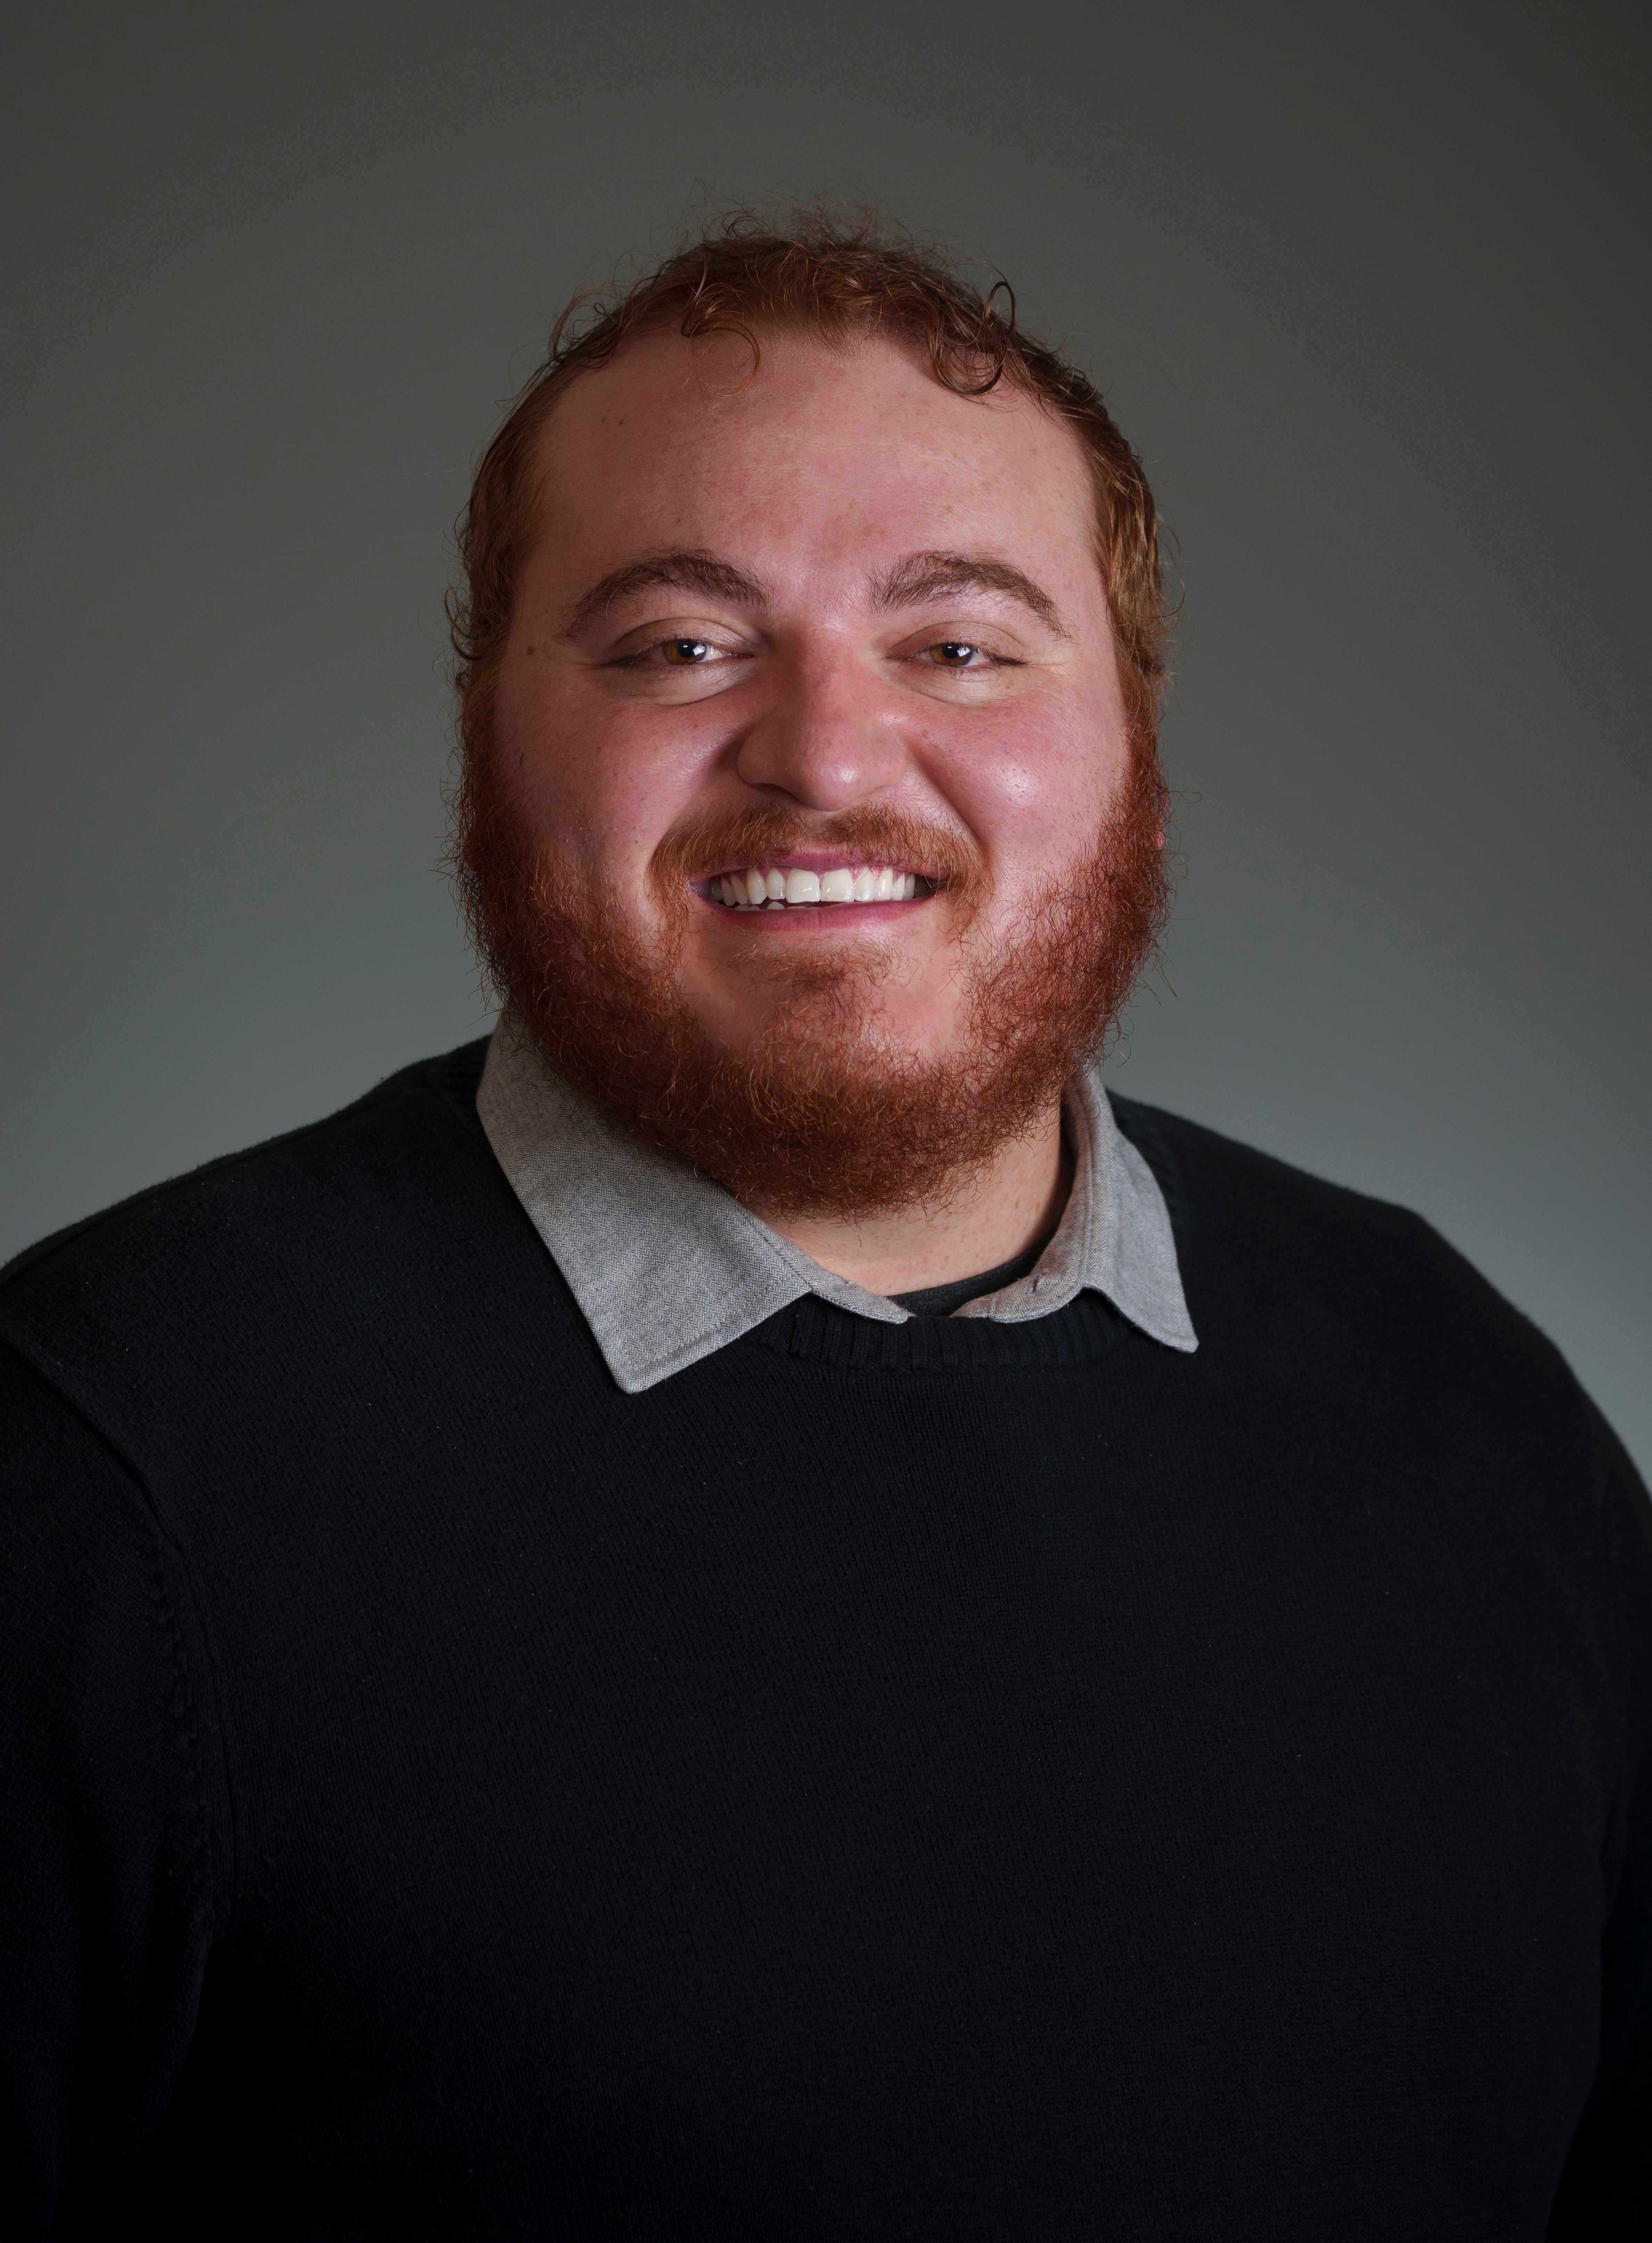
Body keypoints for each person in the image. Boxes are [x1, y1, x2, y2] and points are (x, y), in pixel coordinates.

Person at [2, 206, 1647, 2239]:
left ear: (1129, 738)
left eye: (958, 643)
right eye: (679, 646)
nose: (827, 756)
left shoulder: (1467, 1414)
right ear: (485, 737)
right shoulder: (86, 1474)